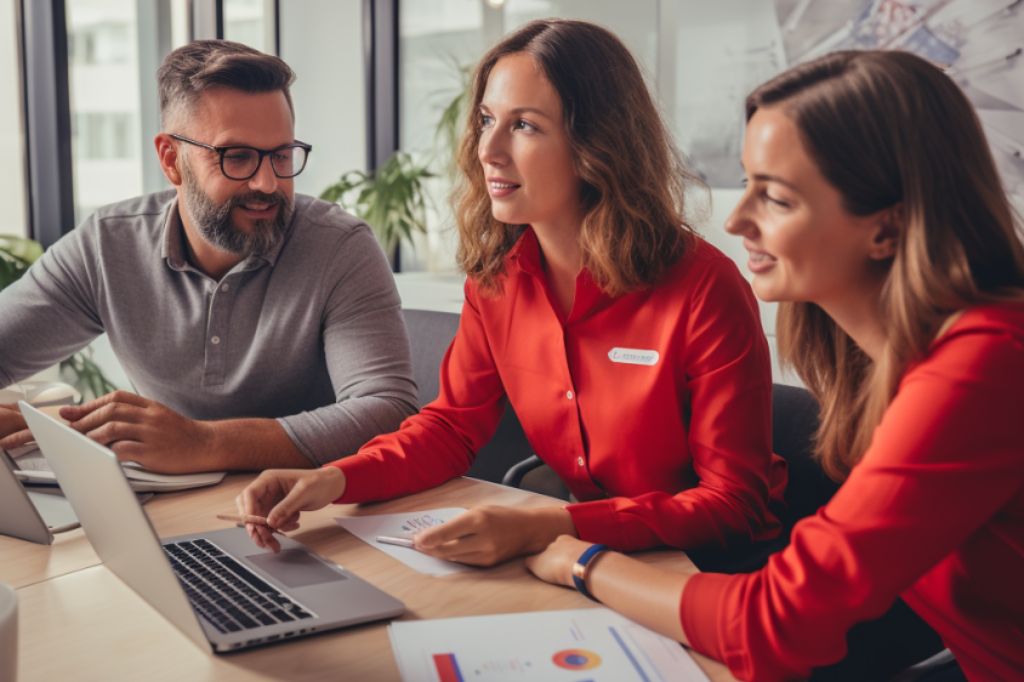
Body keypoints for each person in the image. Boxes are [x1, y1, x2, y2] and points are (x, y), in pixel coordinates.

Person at [526, 49, 1024, 681]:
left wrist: (582, 561)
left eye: (777, 198)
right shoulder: (885, 360)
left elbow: (774, 623)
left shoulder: (981, 368)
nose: (737, 220)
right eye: (746, 182)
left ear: (887, 228)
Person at [238, 19, 785, 566]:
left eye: (524, 125)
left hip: (714, 568)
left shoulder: (703, 288)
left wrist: (553, 524)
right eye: (485, 120)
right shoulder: (497, 279)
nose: (489, 150)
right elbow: (451, 429)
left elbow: (731, 505)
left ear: (597, 144)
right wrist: (332, 479)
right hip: (586, 551)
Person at [0, 40, 417, 473]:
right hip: (167, 509)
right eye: (237, 157)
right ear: (170, 159)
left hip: (312, 511)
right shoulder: (106, 246)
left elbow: (387, 409)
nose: (268, 183)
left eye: (280, 155)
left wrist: (207, 444)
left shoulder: (339, 247)